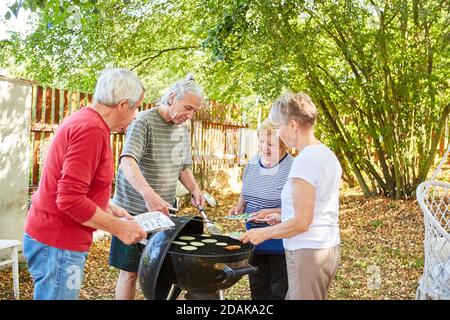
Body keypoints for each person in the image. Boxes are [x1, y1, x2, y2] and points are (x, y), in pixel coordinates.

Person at [23, 68, 148, 300]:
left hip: (53, 238)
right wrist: (121, 228)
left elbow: (76, 185)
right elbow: (70, 199)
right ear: (122, 105)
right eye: (136, 107)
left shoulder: (85, 118)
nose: (135, 115)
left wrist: (107, 206)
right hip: (58, 241)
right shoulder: (91, 130)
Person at [109, 74, 206, 300]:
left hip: (164, 212)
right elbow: (127, 161)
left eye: (194, 111)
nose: (189, 115)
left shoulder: (184, 127)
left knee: (164, 271)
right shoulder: (143, 121)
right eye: (188, 107)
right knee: (130, 273)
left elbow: (182, 166)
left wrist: (195, 189)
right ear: (172, 97)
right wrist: (149, 196)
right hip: (132, 211)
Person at [240, 93, 342, 300]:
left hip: (308, 252)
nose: (278, 133)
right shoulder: (325, 153)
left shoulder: (305, 161)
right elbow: (314, 208)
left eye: (278, 126)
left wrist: (264, 234)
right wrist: (281, 216)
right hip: (324, 248)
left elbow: (302, 222)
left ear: (293, 125)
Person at [228, 119, 293, 300]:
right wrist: (240, 206)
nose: (265, 147)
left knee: (280, 289)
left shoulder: (293, 167)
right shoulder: (253, 163)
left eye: (271, 144)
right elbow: (246, 191)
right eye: (262, 142)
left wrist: (273, 211)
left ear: (283, 145)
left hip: (280, 239)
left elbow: (299, 207)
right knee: (257, 286)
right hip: (254, 237)